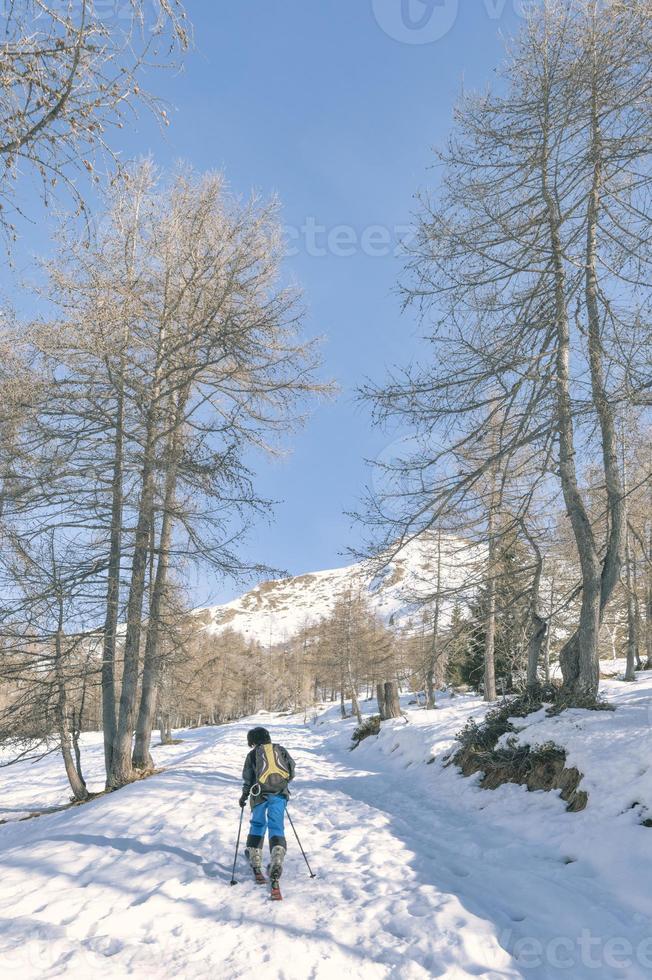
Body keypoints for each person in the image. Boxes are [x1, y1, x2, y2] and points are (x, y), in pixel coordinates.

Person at [240, 727, 295, 890]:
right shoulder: (281, 750)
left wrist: (244, 796)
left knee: (257, 824)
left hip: (258, 795)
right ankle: (277, 858)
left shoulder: (252, 755)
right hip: (279, 794)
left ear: (253, 741)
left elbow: (248, 779)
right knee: (276, 826)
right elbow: (291, 772)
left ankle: (255, 860)